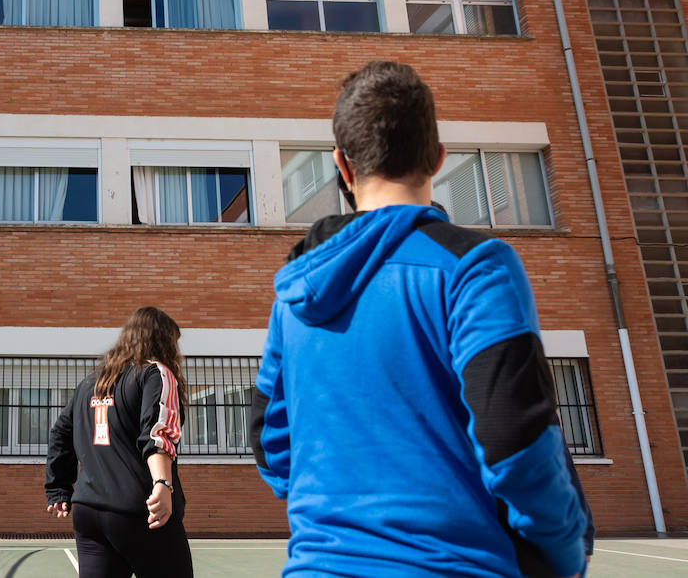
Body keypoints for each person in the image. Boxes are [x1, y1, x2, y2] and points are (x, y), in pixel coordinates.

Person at [250, 60, 589, 578]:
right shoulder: (476, 267)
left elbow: (271, 446)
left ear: (342, 166)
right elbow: (516, 441)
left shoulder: (294, 293)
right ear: (437, 157)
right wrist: (564, 556)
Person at [45, 306, 192, 578]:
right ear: (161, 340)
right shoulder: (156, 373)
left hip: (88, 512)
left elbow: (60, 434)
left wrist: (58, 488)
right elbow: (157, 432)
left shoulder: (91, 383)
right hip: (140, 510)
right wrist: (162, 483)